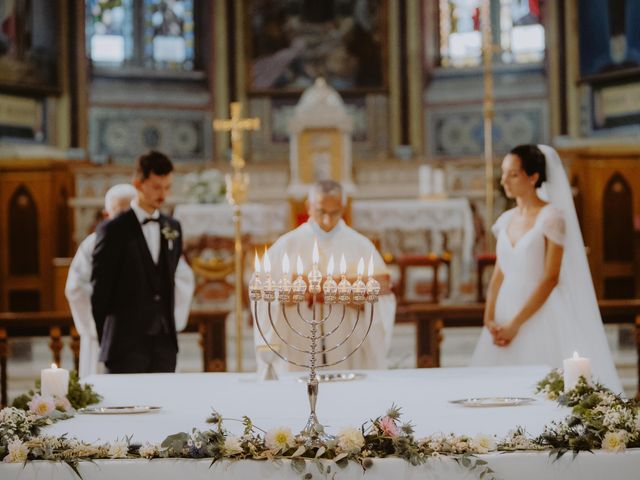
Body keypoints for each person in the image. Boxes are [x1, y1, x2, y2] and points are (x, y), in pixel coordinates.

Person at [470, 145, 622, 393]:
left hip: (539, 310)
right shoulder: (506, 220)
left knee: (540, 387)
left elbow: (551, 277)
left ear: (533, 177)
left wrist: (516, 325)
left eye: (513, 174)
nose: (504, 180)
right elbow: (499, 273)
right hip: (505, 309)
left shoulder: (551, 217)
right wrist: (489, 318)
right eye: (504, 173)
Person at [253, 180, 396, 373]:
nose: (328, 219)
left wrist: (322, 291)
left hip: (347, 345)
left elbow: (383, 291)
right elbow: (263, 290)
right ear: (308, 207)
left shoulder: (360, 245)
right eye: (321, 211)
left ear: (343, 208)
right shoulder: (287, 244)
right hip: (299, 346)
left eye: (335, 212)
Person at [66, 184, 195, 378]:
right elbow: (77, 286)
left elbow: (182, 277)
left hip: (156, 339)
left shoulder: (161, 235)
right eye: (121, 213)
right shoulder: (93, 243)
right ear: (106, 215)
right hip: (115, 336)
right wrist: (99, 323)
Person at [91, 151, 189, 373]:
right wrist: (107, 339)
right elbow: (100, 292)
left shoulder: (172, 227)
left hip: (164, 345)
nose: (163, 194)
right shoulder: (114, 230)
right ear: (138, 184)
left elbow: (167, 279)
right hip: (125, 344)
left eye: (167, 187)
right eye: (156, 187)